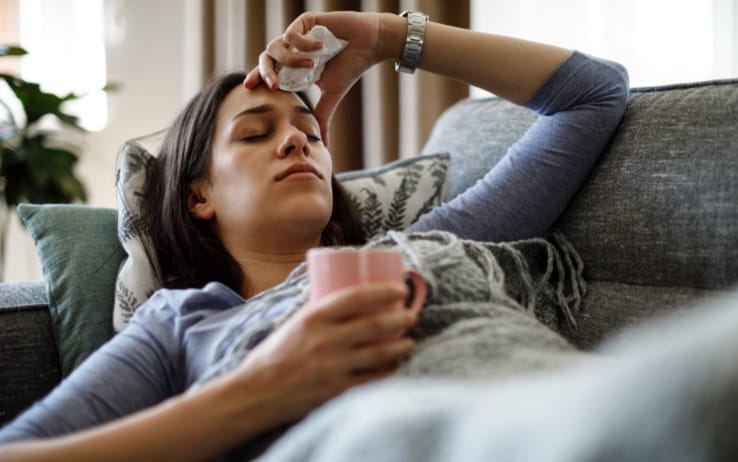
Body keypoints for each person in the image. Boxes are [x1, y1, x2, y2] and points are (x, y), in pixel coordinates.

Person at [0, 10, 628, 461]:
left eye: (311, 131)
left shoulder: (415, 247)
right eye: (254, 133)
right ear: (199, 196)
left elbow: (594, 96)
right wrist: (258, 390)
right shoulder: (181, 323)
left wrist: (386, 36)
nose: (298, 138)